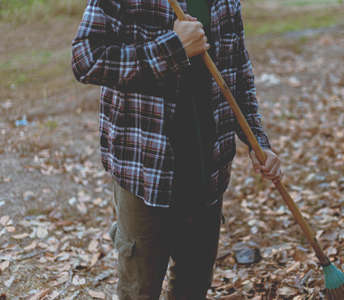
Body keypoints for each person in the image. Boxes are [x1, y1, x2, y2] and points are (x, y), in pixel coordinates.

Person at [71, 0, 282, 299]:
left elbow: (237, 71)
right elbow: (85, 59)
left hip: (208, 170)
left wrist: (257, 141)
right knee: (139, 290)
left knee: (193, 287)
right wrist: (172, 48)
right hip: (145, 171)